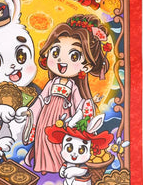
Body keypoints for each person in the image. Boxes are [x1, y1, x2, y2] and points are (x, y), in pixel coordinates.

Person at [22, 14, 112, 173]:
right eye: (55, 52)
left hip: (63, 120)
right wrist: (31, 112)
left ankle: (59, 167)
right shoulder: (52, 83)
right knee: (43, 139)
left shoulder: (73, 86)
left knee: (60, 142)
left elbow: (79, 105)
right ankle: (43, 166)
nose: (60, 60)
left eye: (74, 56)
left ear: (86, 67)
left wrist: (78, 117)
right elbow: (41, 100)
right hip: (45, 117)